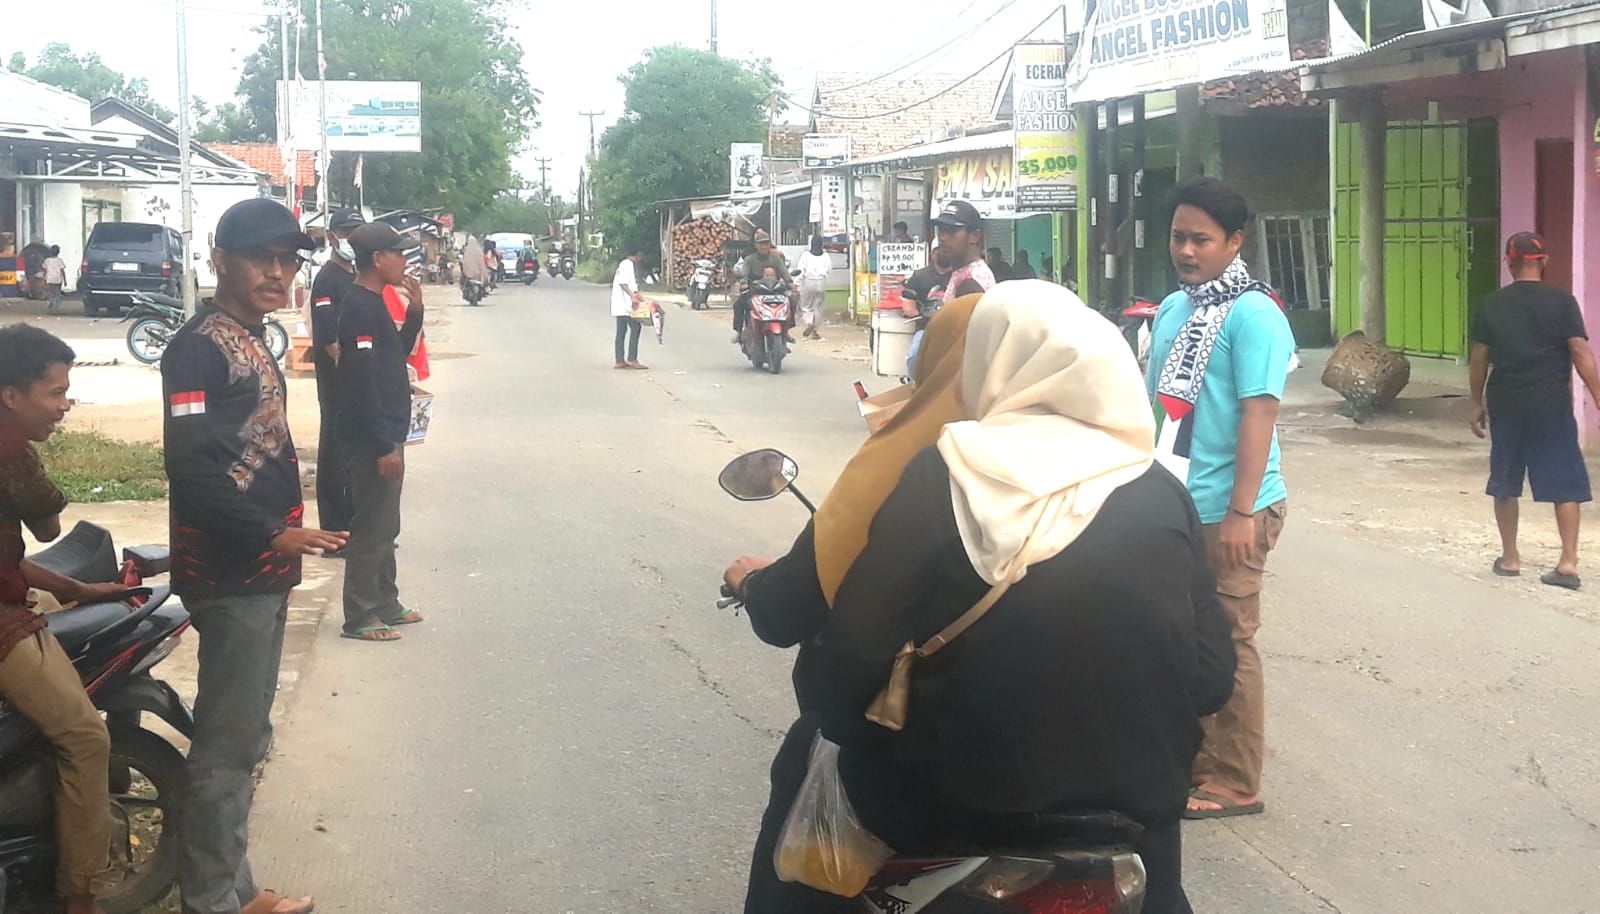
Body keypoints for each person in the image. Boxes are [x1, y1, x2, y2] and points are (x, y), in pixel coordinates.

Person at [727, 284, 1234, 914]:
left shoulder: (946, 471)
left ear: (992, 363)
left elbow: (850, 660)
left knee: (802, 810)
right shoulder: (1157, 488)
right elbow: (1212, 678)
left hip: (955, 803)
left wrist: (837, 713)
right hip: (1131, 814)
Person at [161, 199, 342, 914]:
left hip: (264, 571)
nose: (278, 271)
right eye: (261, 257)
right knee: (226, 749)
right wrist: (270, 534)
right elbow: (192, 468)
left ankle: (236, 886)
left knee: (247, 736)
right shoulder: (200, 346)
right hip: (230, 570)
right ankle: (209, 902)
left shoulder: (254, 334)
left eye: (288, 259)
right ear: (220, 260)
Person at [1143, 176, 1295, 820]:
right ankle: (1193, 764)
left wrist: (1240, 514)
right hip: (1174, 502)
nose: (1186, 249)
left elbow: (1258, 416)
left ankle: (1235, 779)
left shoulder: (1255, 314)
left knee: (1229, 640)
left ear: (1235, 241)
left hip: (1233, 507)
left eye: (1201, 239)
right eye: (1178, 236)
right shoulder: (1176, 309)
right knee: (1179, 640)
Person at [0, 325, 128, 914]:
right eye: (54, 393)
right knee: (84, 736)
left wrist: (76, 588)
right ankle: (81, 895)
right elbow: (48, 530)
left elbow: (14, 558)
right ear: (11, 396)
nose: (64, 405)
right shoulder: (10, 450)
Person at [1469, 231, 1600, 590]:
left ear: (1509, 263)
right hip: (1552, 405)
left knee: (1505, 481)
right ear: (1543, 262)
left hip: (1507, 404)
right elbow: (1580, 351)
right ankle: (1568, 562)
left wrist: (1475, 401)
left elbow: (1479, 357)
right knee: (1565, 484)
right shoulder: (1563, 301)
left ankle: (1510, 558)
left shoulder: (1491, 303)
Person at [334, 222, 425, 643]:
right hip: (372, 438)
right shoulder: (359, 307)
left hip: (388, 432)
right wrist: (382, 445)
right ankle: (361, 614)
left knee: (388, 524)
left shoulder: (377, 303)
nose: (404, 261)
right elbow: (362, 383)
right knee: (371, 524)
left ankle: (385, 601)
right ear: (377, 259)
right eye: (398, 253)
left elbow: (396, 357)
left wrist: (416, 311)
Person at [309, 209, 365, 545]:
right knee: (333, 453)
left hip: (353, 379)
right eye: (346, 233)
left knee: (353, 456)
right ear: (332, 237)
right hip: (336, 380)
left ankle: (355, 526)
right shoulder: (327, 279)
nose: (351, 240)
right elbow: (329, 340)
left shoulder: (354, 275)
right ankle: (334, 531)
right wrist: (351, 373)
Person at [901, 244, 956, 378]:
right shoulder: (920, 276)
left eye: (948, 251)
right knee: (914, 356)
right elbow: (908, 305)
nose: (945, 254)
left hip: (954, 328)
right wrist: (920, 315)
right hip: (926, 328)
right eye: (941, 251)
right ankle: (915, 385)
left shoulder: (959, 275)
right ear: (933, 254)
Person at [732, 230, 792, 343]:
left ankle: (786, 331)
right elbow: (744, 272)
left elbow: (784, 272)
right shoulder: (750, 259)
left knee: (791, 302)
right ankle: (739, 333)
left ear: (770, 244)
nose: (764, 247)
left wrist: (790, 282)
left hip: (774, 289)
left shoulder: (776, 258)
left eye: (766, 243)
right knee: (739, 305)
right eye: (761, 244)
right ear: (755, 245)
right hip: (755, 289)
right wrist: (744, 282)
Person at [932, 201, 996, 298]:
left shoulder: (969, 283)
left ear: (974, 236)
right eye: (941, 230)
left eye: (951, 230)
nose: (942, 237)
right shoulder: (965, 272)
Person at [611, 248, 648, 370]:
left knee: (621, 331)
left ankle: (619, 360)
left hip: (621, 304)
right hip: (625, 304)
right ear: (638, 254)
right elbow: (623, 283)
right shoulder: (627, 264)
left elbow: (633, 287)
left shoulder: (625, 265)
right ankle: (632, 358)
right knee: (636, 327)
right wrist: (632, 296)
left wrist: (644, 300)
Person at [795, 236, 831, 341]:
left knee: (806, 306)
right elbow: (829, 269)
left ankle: (810, 323)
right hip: (821, 282)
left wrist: (796, 283)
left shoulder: (805, 255)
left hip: (808, 281)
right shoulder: (826, 256)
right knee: (819, 307)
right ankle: (815, 330)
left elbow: (800, 270)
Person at [42, 245, 67, 313]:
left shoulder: (47, 260)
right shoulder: (60, 261)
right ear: (58, 252)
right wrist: (65, 280)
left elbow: (45, 271)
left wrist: (44, 278)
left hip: (49, 278)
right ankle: (57, 307)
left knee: (50, 292)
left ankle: (51, 301)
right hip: (58, 279)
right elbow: (62, 271)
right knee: (57, 293)